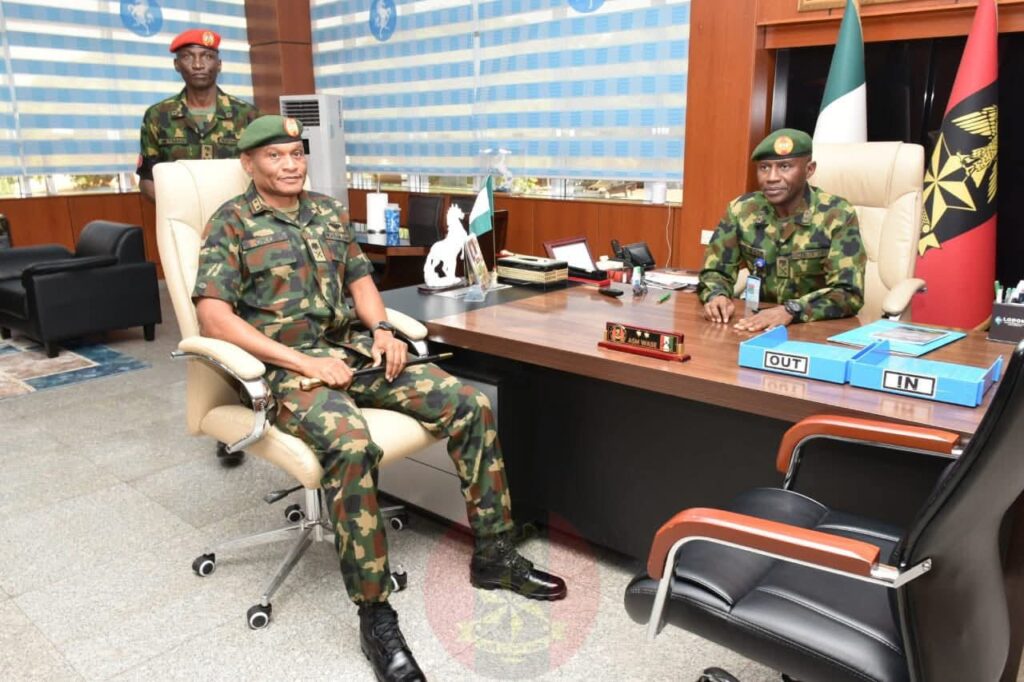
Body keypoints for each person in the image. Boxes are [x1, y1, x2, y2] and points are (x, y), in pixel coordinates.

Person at [192, 115, 567, 682]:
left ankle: (494, 554)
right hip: (289, 370)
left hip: (354, 350)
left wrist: (385, 331)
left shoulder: (325, 211)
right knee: (351, 445)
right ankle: (375, 615)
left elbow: (361, 282)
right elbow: (213, 317)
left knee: (469, 404)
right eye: (275, 156)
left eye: (296, 153)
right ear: (249, 164)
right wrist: (304, 363)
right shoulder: (231, 222)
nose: (291, 164)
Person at [698, 128, 866, 332]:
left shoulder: (837, 214)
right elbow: (715, 271)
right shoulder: (741, 210)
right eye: (764, 167)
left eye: (785, 166)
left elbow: (848, 293)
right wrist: (717, 295)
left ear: (809, 170)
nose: (771, 177)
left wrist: (791, 310)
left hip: (817, 327)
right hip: (758, 325)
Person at [136, 28, 259, 203]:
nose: (198, 65)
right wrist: (176, 209)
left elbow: (262, 172)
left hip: (236, 214)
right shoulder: (157, 116)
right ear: (176, 64)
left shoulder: (247, 115)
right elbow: (147, 179)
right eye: (187, 56)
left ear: (219, 64)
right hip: (180, 213)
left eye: (207, 56)